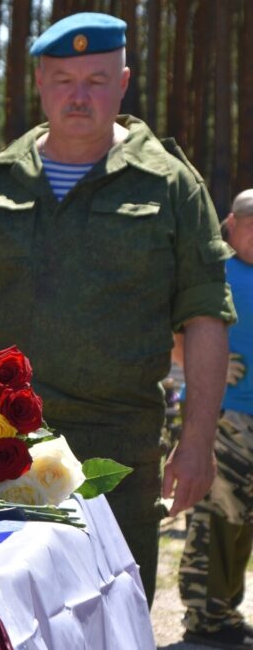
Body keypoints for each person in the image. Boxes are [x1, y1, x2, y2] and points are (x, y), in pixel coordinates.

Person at [0, 11, 235, 604]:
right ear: (40, 82)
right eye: (64, 79)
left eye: (96, 79)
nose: (79, 95)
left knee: (110, 613)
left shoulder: (168, 185)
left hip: (115, 448)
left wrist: (196, 442)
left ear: (123, 83)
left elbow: (205, 317)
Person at [177, 190, 253, 649]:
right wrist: (211, 369)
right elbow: (173, 333)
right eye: (252, 222)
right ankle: (205, 617)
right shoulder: (215, 270)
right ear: (230, 223)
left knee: (242, 521)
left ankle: (224, 611)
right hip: (222, 417)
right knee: (217, 518)